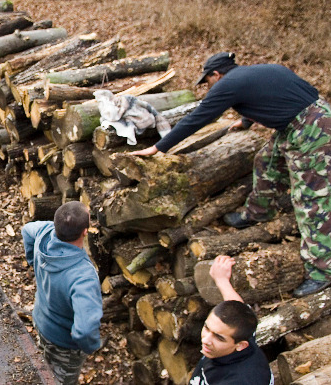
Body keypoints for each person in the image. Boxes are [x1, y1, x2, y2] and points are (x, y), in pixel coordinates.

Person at [130, 52, 331, 297]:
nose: (208, 86)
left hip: (311, 130)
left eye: (207, 81)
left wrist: (159, 147)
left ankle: (322, 271)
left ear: (217, 74)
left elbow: (198, 118)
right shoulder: (258, 71)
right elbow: (274, 95)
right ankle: (259, 212)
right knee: (266, 160)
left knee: (311, 199)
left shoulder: (228, 83)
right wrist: (246, 122)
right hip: (309, 118)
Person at [21, 201, 103, 385]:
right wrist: (90, 347)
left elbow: (26, 230)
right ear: (84, 231)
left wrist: (32, 261)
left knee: (44, 360)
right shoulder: (83, 276)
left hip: (41, 320)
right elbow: (84, 331)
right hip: (64, 343)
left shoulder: (44, 232)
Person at [189, 255, 274, 384]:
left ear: (241, 345)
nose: (206, 340)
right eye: (207, 328)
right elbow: (236, 306)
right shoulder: (242, 329)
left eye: (219, 337)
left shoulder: (240, 380)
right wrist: (221, 280)